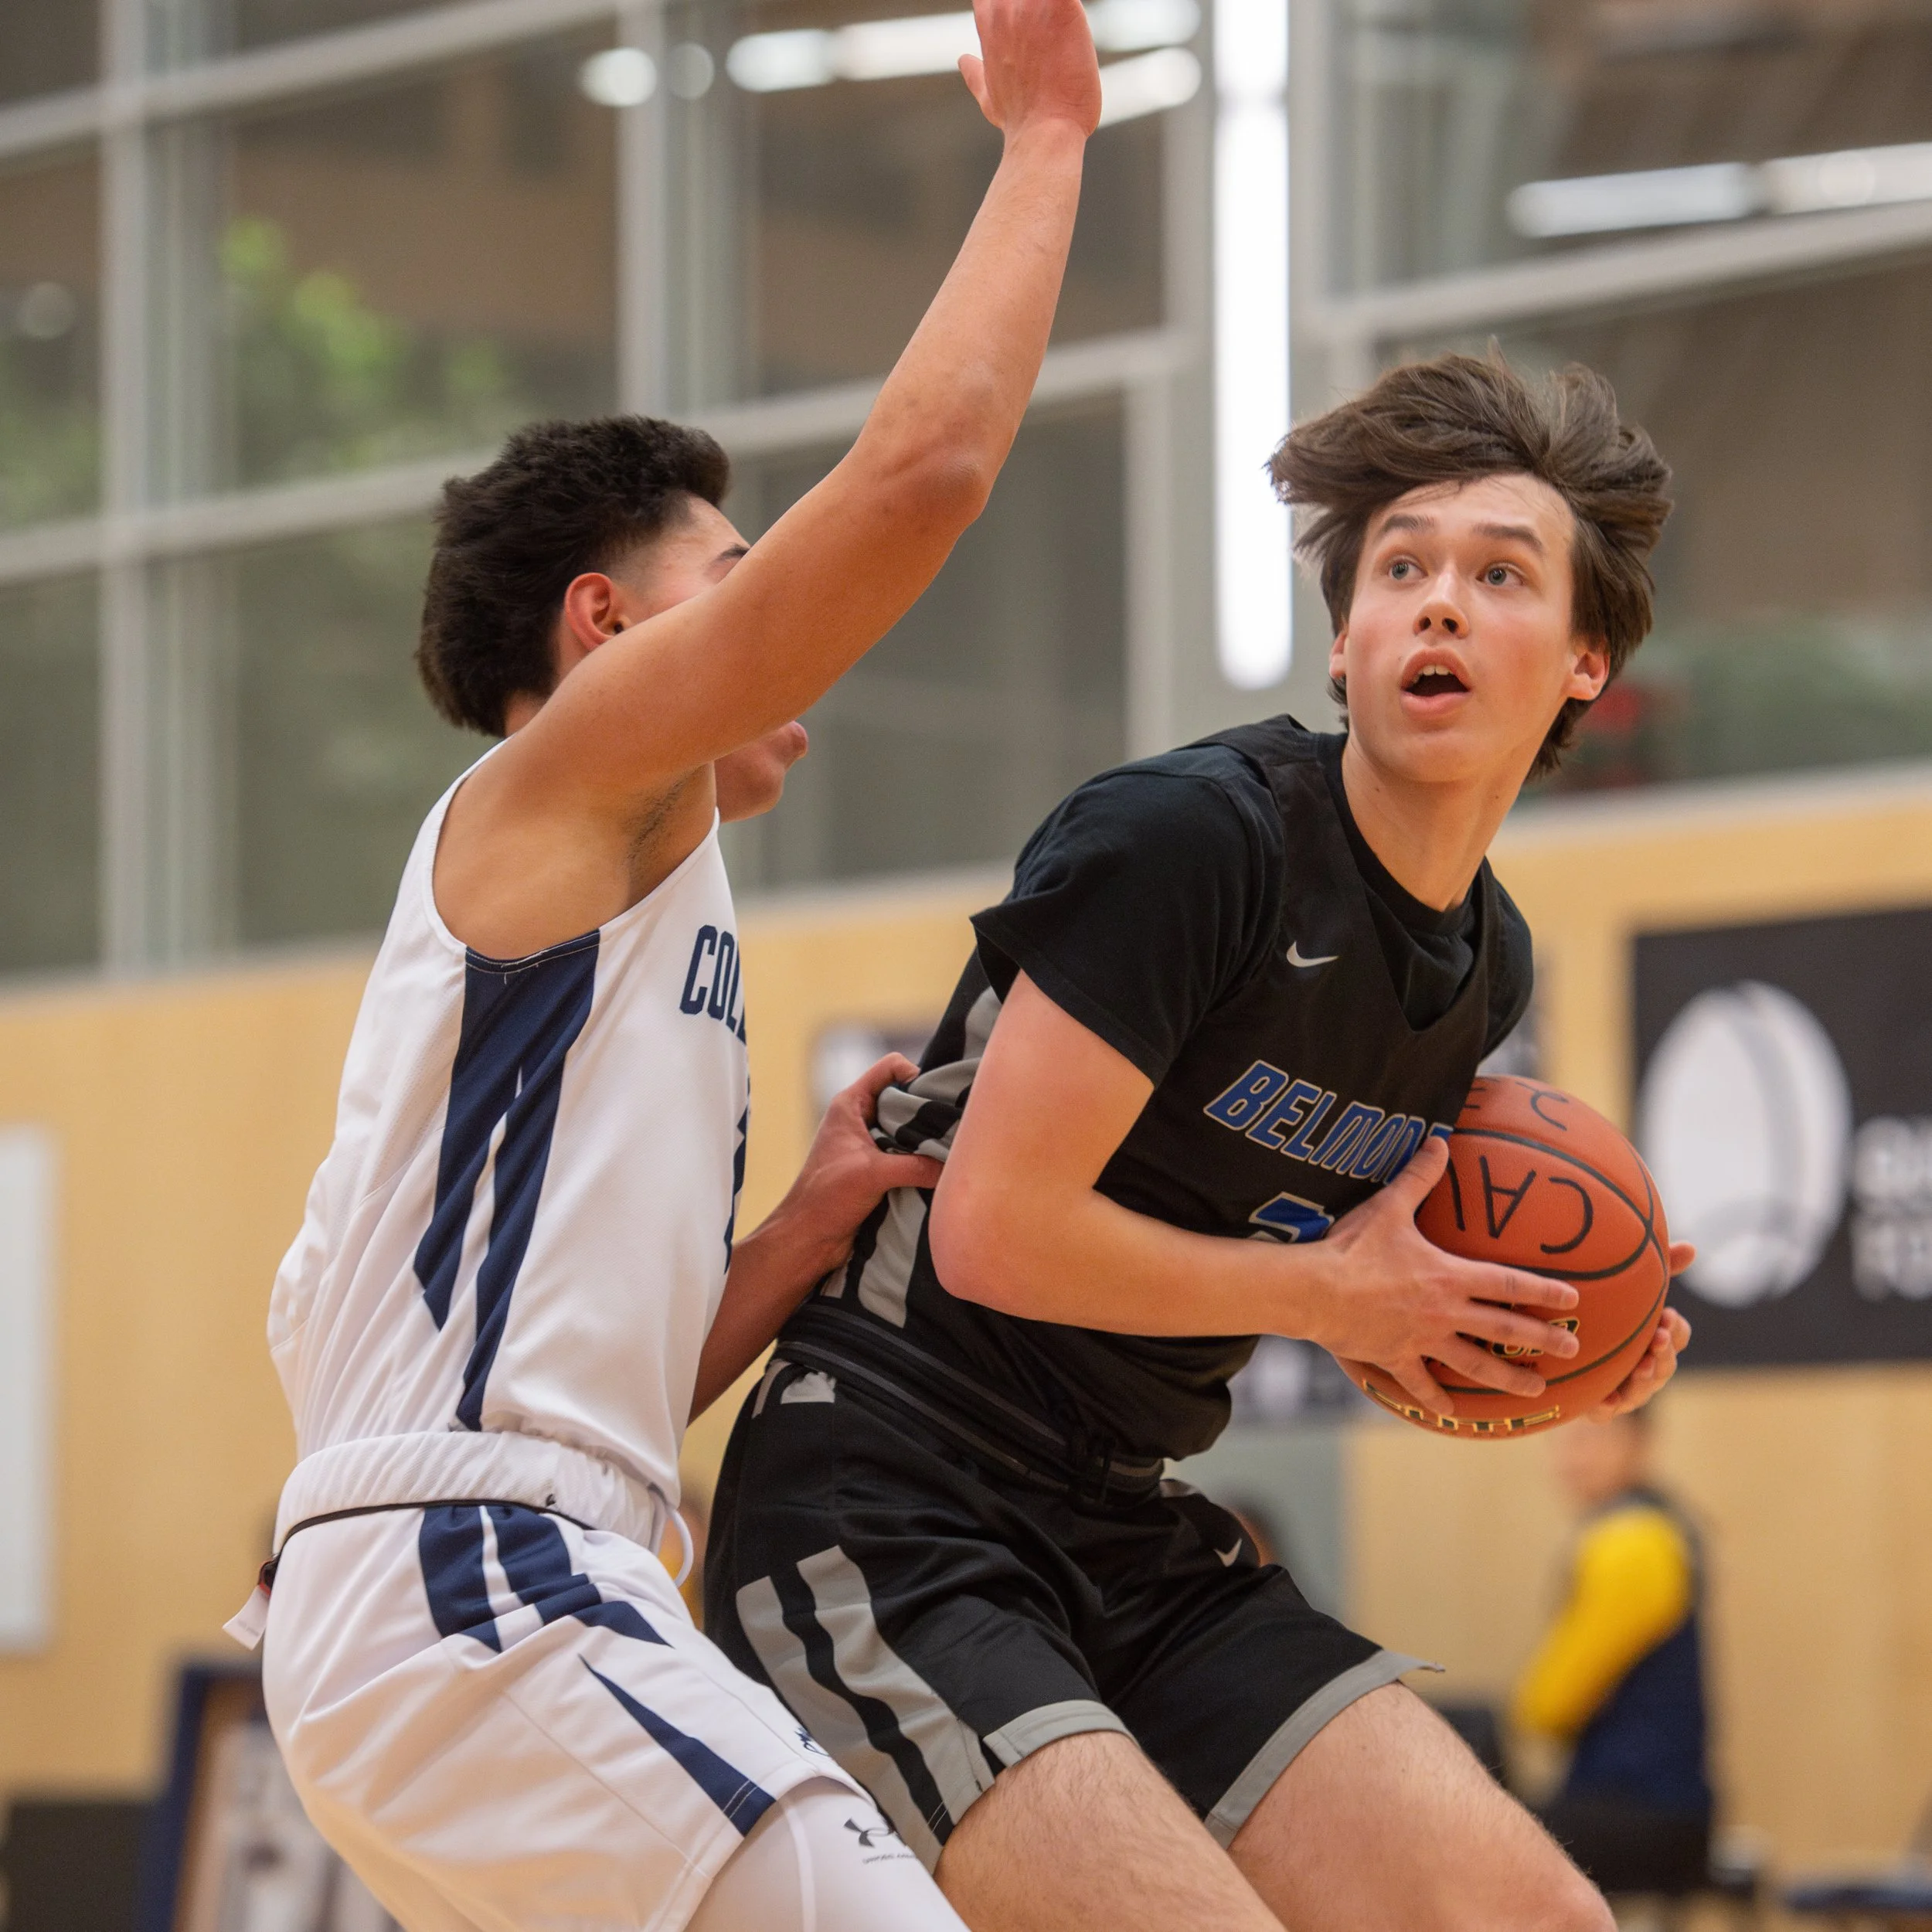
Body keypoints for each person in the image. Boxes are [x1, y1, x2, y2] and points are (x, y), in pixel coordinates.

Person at [223, 4, 1104, 1926]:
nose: (780, 627)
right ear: (606, 626)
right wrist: (1048, 140)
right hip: (480, 1592)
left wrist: (787, 1234)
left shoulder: (608, 916)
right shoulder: (565, 787)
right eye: (734, 577)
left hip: (486, 1582)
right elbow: (923, 478)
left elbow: (581, 1392)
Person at [705, 350, 1698, 1932]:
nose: (1436, 602)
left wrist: (1576, 1330)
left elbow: (1390, 1278)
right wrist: (1329, 1299)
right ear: (1344, 638)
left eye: (1497, 573)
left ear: (1583, 659)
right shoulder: (1193, 840)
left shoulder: (1482, 965)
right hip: (887, 1492)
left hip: (1128, 1514)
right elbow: (993, 1230)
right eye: (1399, 568)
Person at [1515, 1408, 1714, 1897]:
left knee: (1474, 1839)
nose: (1568, 1461)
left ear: (1638, 1442)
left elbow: (1547, 1706)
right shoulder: (1661, 1527)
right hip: (1660, 1810)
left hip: (1644, 1810)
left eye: (1587, 1441)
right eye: (1562, 1443)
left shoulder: (1631, 1544)